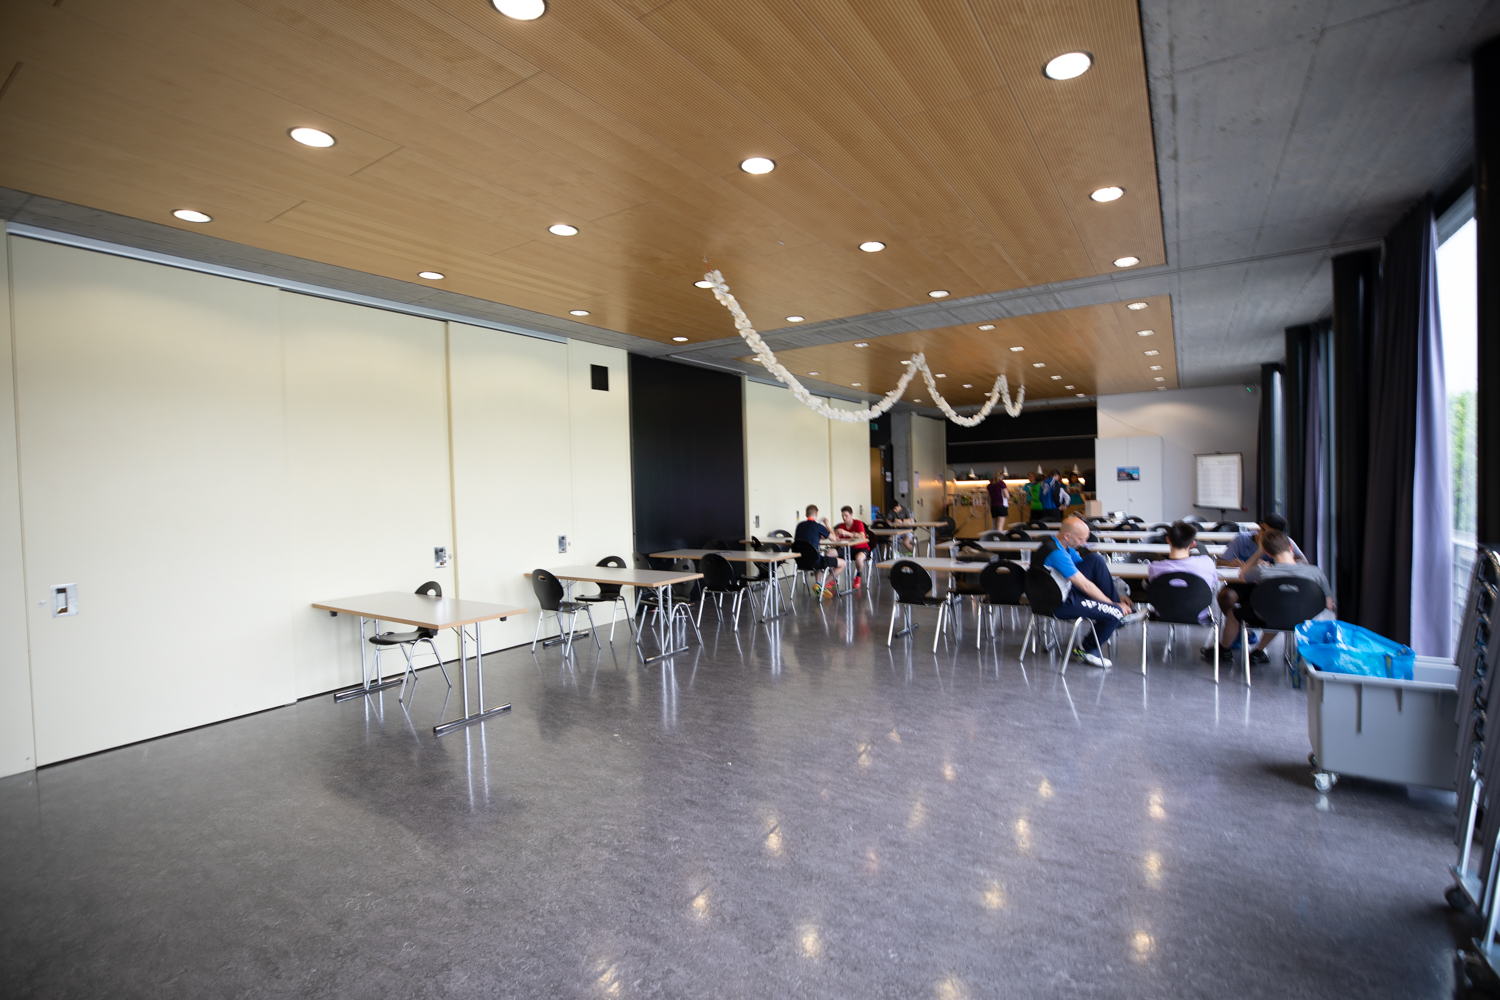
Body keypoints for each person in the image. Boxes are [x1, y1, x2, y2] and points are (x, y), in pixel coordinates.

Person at [1215, 528, 1335, 659]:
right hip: (1304, 618)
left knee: (1238, 613)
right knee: (1280, 610)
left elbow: (1242, 574)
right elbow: (1329, 604)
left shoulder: (1262, 571)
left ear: (1268, 553)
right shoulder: (1316, 572)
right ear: (1291, 547)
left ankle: (1224, 650)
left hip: (1269, 614)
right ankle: (1259, 652)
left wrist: (1259, 551)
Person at [1044, 515, 1142, 667]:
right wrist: (1113, 605)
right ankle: (1086, 649)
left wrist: (1116, 596)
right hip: (1058, 603)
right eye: (1081, 539)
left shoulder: (1059, 544)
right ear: (1067, 535)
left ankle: (1119, 611)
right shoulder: (1057, 554)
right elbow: (1085, 585)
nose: (1084, 543)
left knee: (1095, 560)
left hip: (1059, 591)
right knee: (1114, 613)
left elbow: (1090, 572)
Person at [1213, 513, 1306, 661]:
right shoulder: (1242, 539)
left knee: (1275, 609)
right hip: (1243, 584)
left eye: (1272, 533)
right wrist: (1230, 563)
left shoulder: (1283, 542)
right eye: (1264, 530)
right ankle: (1237, 631)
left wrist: (1273, 565)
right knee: (1225, 597)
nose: (1265, 535)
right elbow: (1220, 562)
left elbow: (1302, 561)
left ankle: (1243, 635)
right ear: (1259, 526)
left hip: (1267, 587)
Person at [1145, 521, 1219, 625]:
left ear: (1168, 540)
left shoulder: (1154, 567)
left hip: (1164, 616)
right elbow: (1214, 585)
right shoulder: (1207, 563)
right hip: (1199, 616)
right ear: (1193, 543)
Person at [793, 504, 845, 598]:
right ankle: (822, 585)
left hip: (800, 561)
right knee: (843, 563)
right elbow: (834, 539)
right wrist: (827, 525)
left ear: (806, 514)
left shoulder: (799, 526)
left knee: (817, 556)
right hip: (814, 561)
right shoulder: (818, 526)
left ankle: (818, 583)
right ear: (816, 514)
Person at [832, 505, 870, 589]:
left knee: (859, 559)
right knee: (831, 555)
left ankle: (858, 576)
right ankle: (833, 579)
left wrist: (846, 533)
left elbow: (862, 537)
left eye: (846, 515)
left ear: (851, 515)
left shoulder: (858, 523)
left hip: (861, 548)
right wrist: (836, 538)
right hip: (847, 549)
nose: (844, 518)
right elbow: (839, 539)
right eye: (842, 516)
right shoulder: (841, 526)